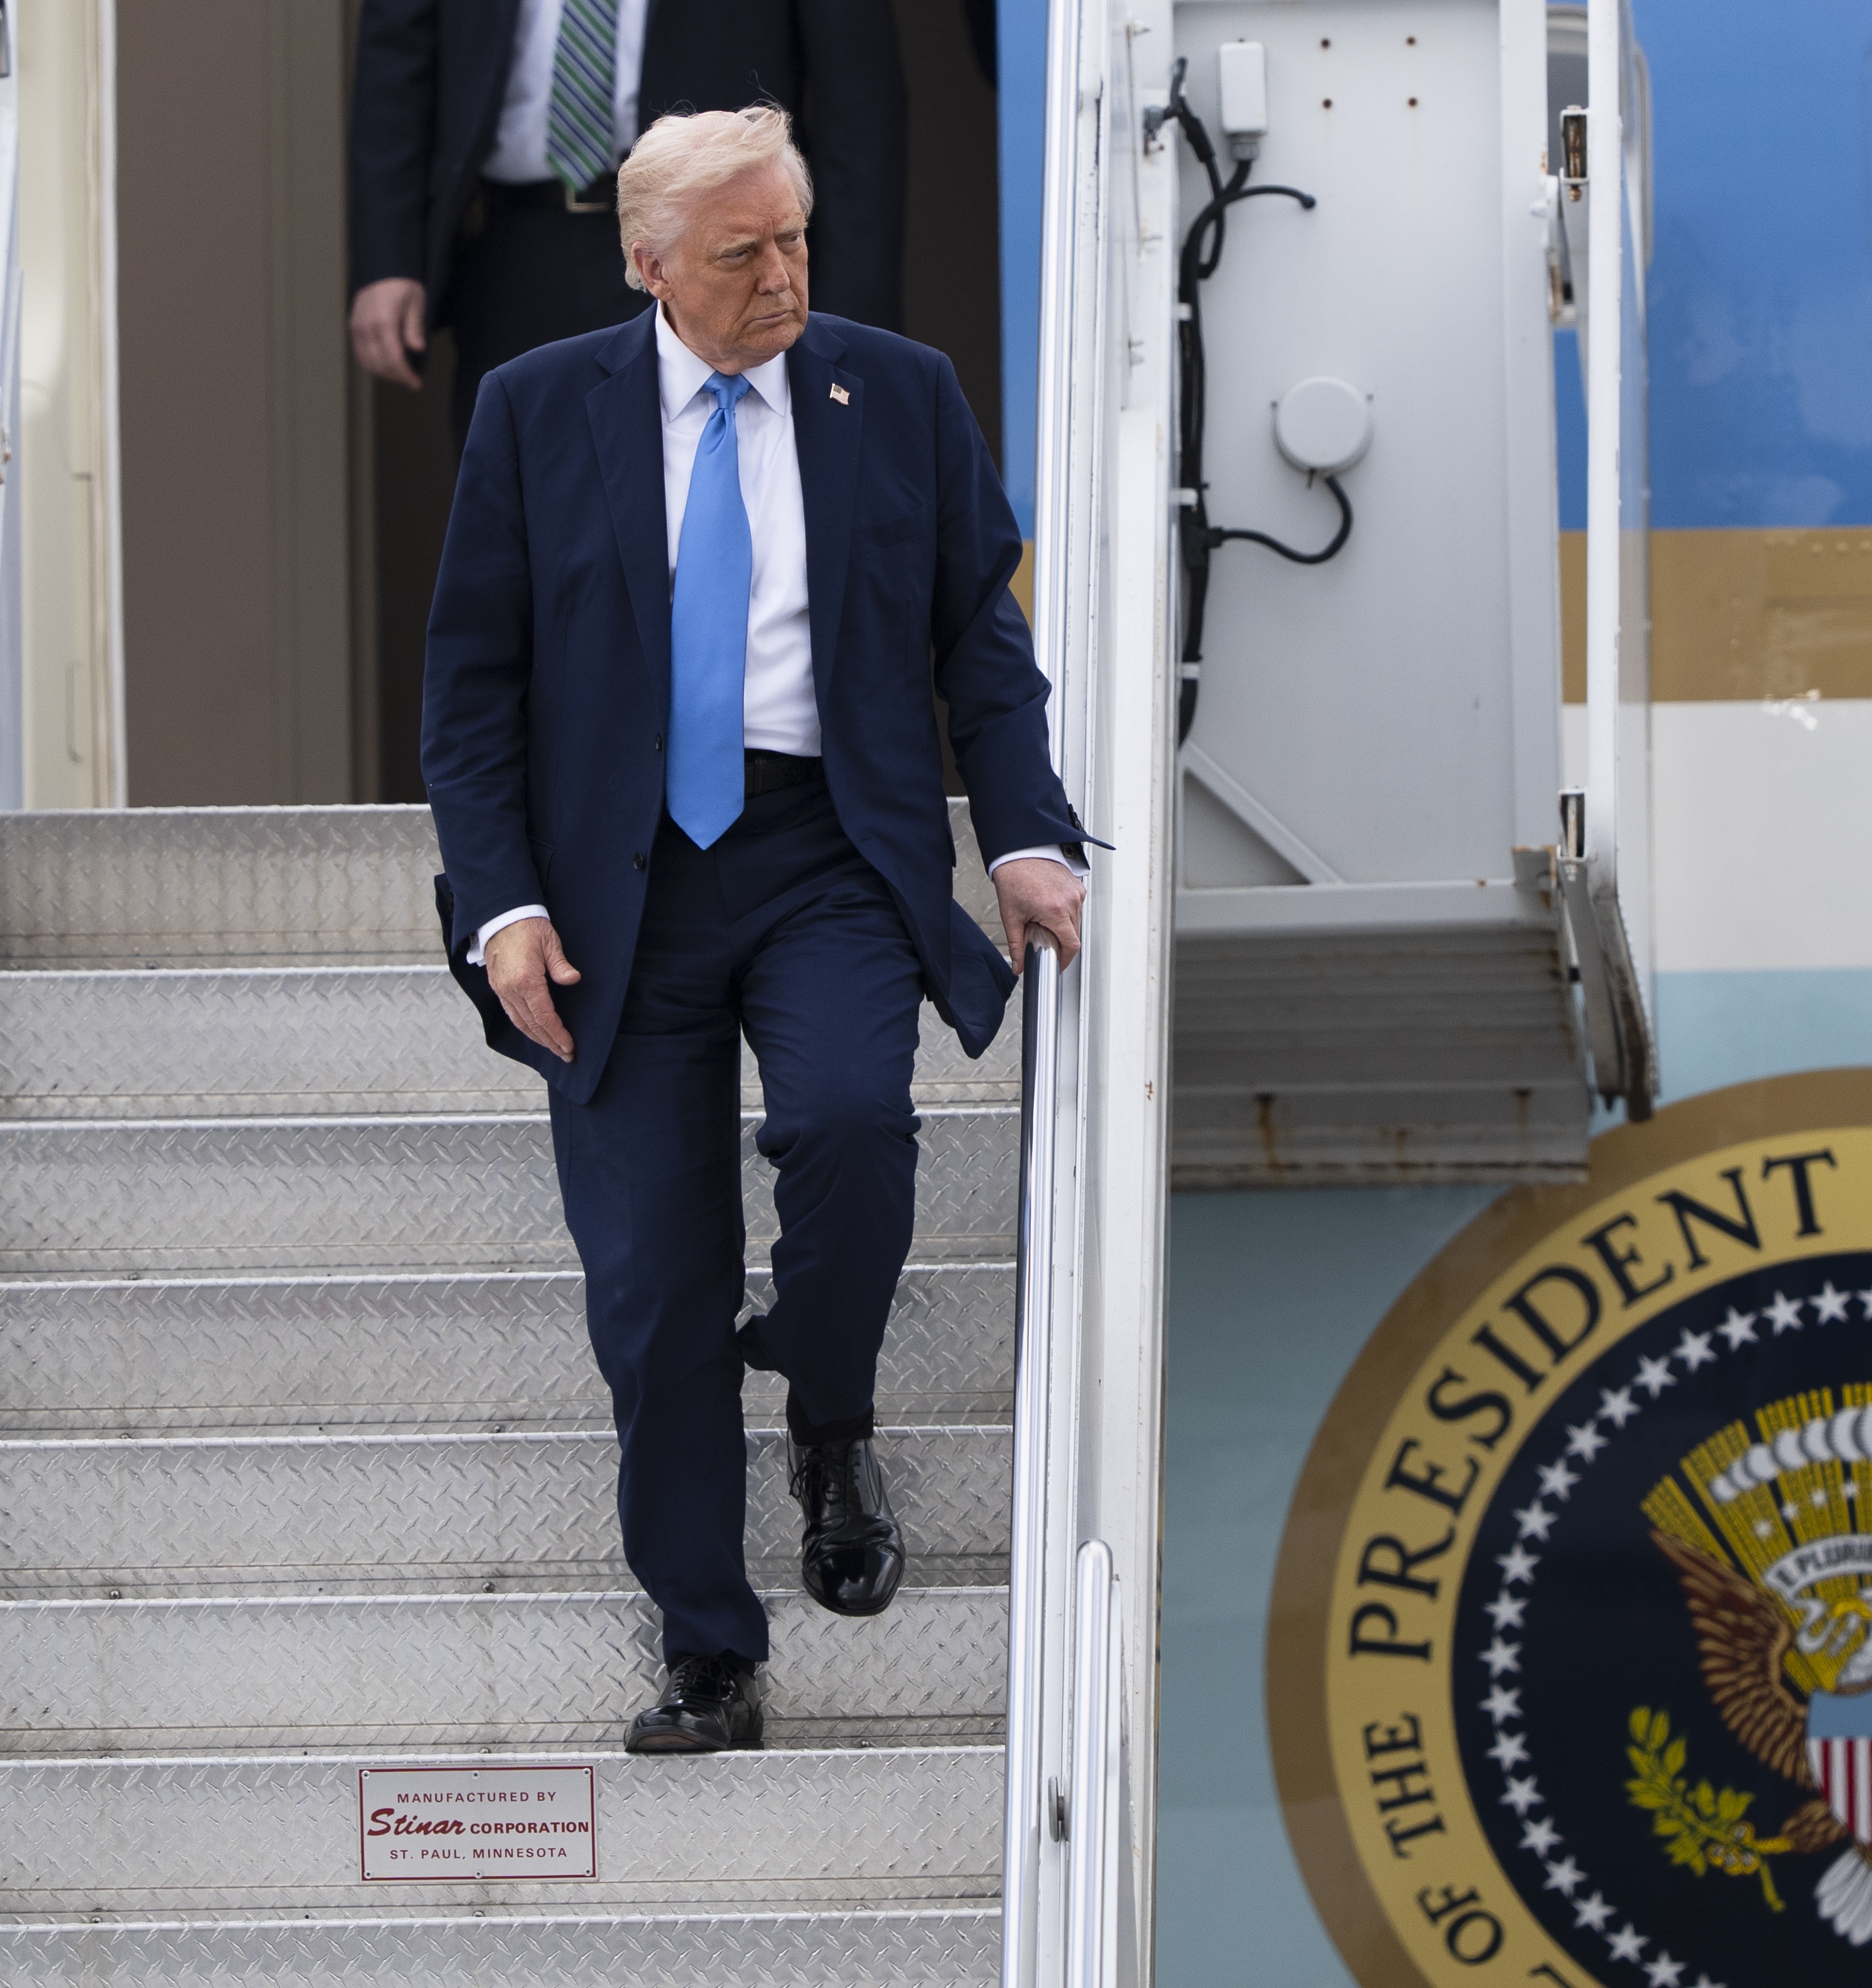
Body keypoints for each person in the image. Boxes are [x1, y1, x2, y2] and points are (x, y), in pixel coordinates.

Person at [419, 105, 1089, 1752]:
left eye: (796, 238)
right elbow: (471, 690)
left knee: (855, 1123)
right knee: (653, 1287)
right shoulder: (532, 412)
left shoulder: (901, 390)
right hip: (609, 882)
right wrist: (501, 902)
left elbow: (977, 655)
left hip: (820, 847)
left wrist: (1023, 838)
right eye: (744, 254)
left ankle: (834, 1417)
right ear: (650, 265)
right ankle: (707, 1639)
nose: (786, 274)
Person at [348, 0, 906, 439]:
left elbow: (857, 97)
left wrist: (850, 316)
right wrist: (388, 255)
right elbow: (394, 61)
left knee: (714, 493)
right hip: (517, 245)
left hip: (716, 245)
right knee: (525, 512)